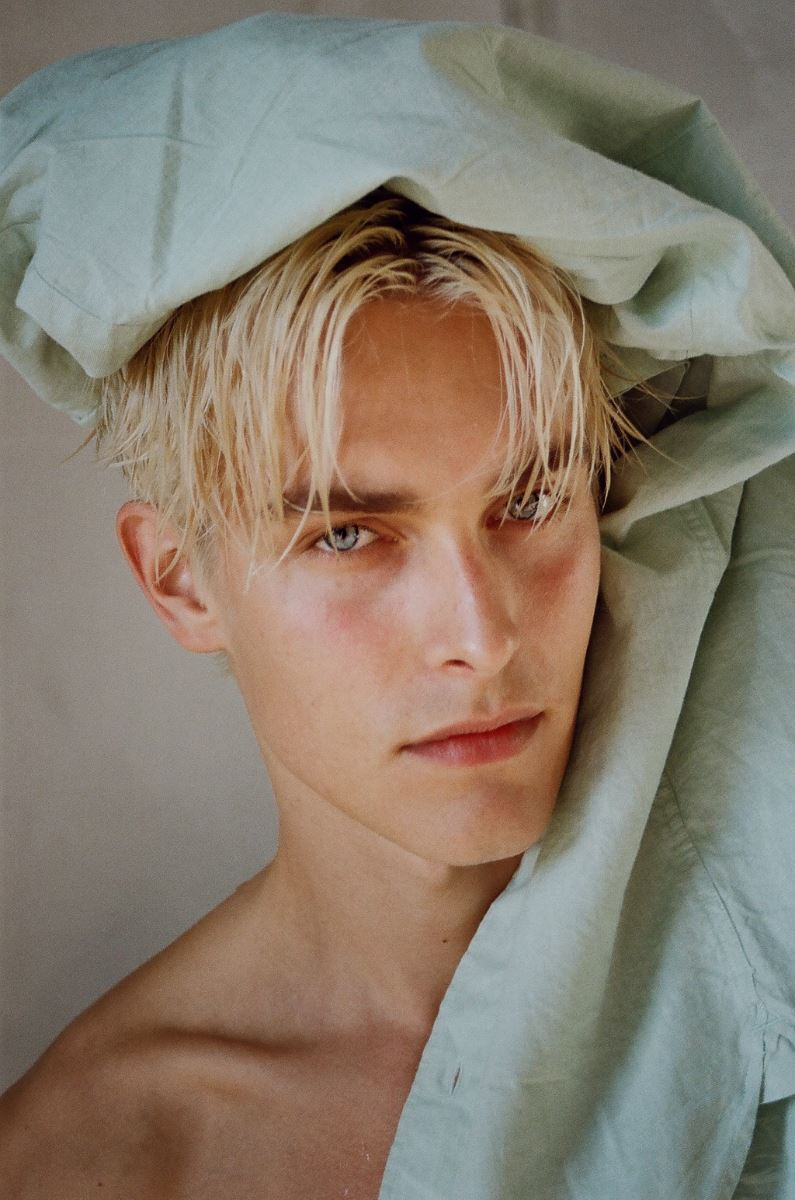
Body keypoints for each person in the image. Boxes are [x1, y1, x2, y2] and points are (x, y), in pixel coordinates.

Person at [0, 188, 644, 1197]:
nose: (482, 639)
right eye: (346, 535)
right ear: (180, 581)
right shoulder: (84, 1162)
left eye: (528, 501)